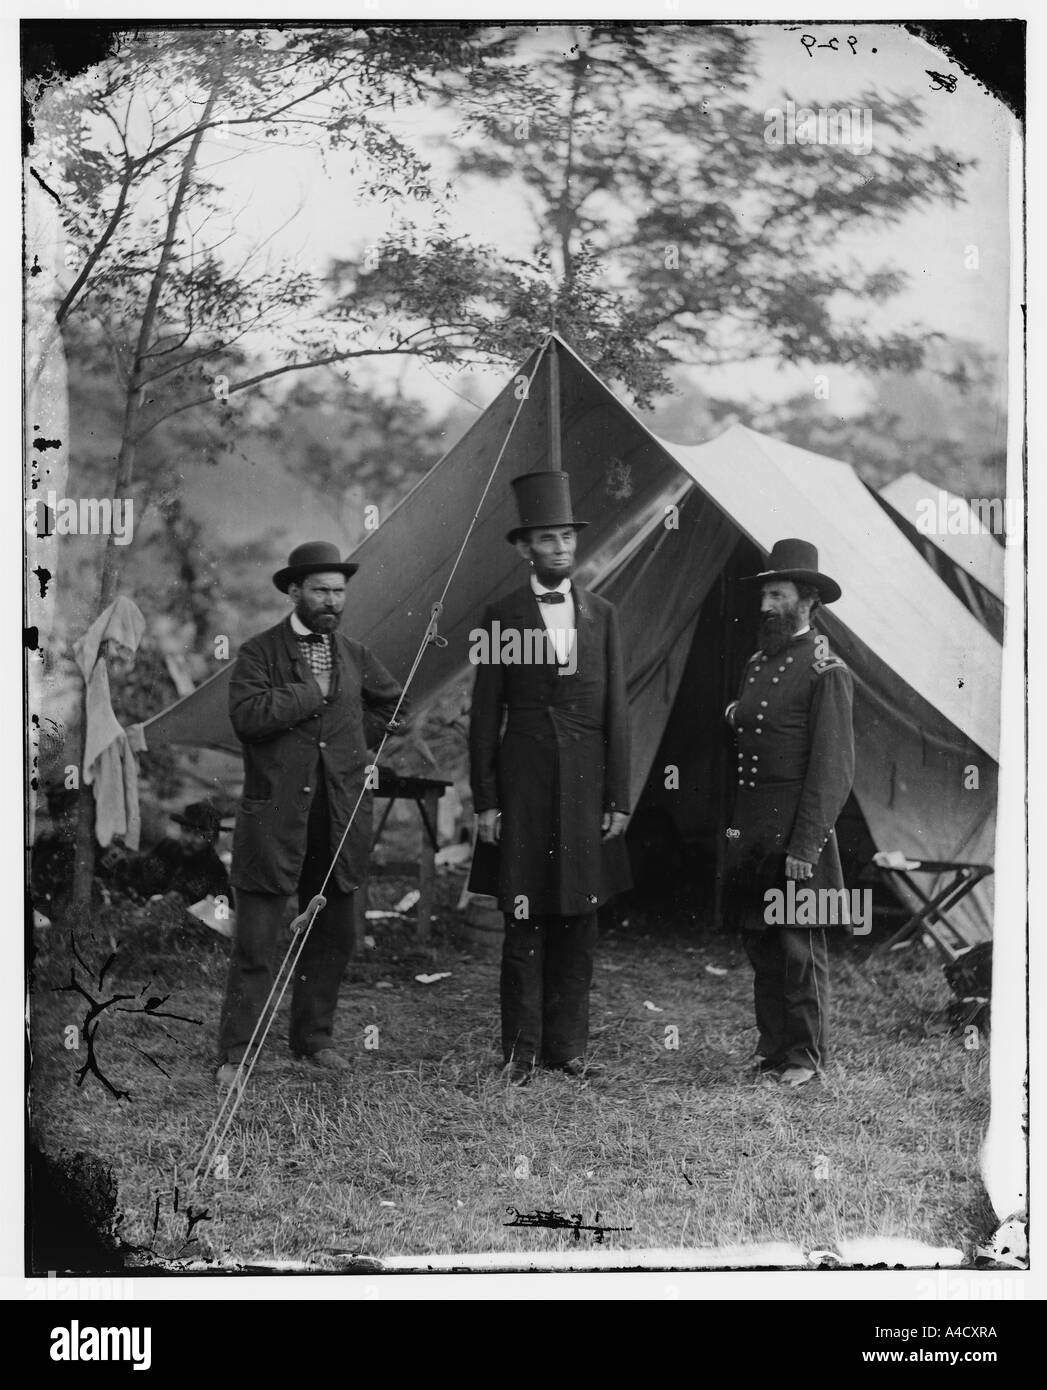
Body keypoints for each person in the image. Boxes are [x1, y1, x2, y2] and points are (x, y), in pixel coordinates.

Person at [216, 541, 403, 1089]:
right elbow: (247, 718)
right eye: (320, 590)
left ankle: (313, 1038)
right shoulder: (258, 653)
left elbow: (393, 704)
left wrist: (351, 744)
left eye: (338, 591)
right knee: (257, 939)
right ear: (294, 591)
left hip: (339, 817)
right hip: (275, 818)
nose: (331, 600)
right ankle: (236, 1052)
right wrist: (310, 693)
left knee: (334, 933)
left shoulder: (355, 653)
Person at [468, 471, 631, 1086]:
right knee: (525, 913)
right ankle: (519, 1053)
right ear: (524, 548)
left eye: (567, 537)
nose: (561, 548)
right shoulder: (501, 617)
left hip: (588, 786)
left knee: (580, 918)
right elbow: (485, 716)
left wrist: (618, 795)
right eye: (548, 539)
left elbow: (618, 710)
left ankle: (569, 1048)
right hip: (524, 785)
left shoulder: (604, 615)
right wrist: (486, 799)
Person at [723, 538, 855, 1090]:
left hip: (797, 829)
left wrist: (806, 846)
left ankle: (805, 1055)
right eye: (763, 595)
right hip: (752, 828)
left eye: (776, 594)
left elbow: (833, 768)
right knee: (761, 941)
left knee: (798, 944)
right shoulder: (757, 663)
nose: (764, 606)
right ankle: (774, 1047)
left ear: (808, 602)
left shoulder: (828, 669)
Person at [127, 801, 231, 904]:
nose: (189, 839)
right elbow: (138, 871)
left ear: (212, 839)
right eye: (186, 830)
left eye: (198, 835)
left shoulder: (216, 872)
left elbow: (219, 913)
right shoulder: (167, 847)